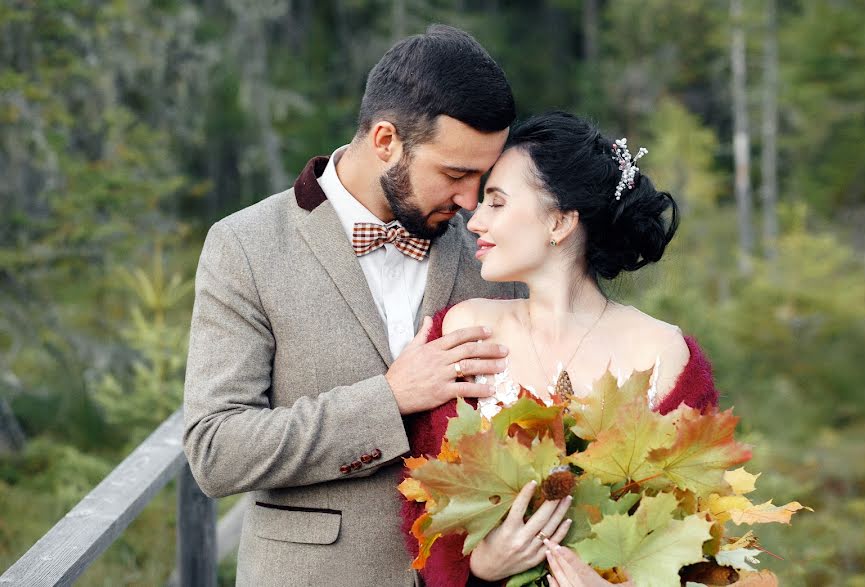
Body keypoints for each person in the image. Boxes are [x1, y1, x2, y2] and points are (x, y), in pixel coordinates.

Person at [182, 25, 528, 586]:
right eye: (455, 174)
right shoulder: (243, 246)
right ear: (386, 140)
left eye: (482, 177)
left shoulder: (492, 253)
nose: (470, 200)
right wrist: (390, 399)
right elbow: (216, 449)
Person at [401, 111, 720, 586]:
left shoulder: (666, 353)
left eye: (497, 202)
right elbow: (423, 510)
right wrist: (483, 567)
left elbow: (699, 535)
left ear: (560, 220)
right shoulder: (463, 331)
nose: (474, 220)